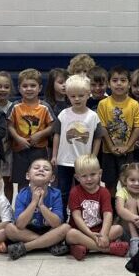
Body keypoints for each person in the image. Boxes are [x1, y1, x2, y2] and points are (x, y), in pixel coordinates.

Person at [51, 74, 103, 206]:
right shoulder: (63, 114)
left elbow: (98, 138)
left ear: (88, 94)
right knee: (64, 191)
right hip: (64, 160)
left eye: (81, 95)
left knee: (85, 190)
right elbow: (56, 135)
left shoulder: (93, 116)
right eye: (73, 96)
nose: (77, 99)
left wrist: (93, 157)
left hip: (84, 163)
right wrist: (54, 155)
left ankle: (83, 217)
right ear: (68, 96)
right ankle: (62, 218)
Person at [5, 158, 70, 259]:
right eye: (36, 168)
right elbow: (20, 224)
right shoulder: (22, 194)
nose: (41, 170)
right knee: (9, 228)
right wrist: (34, 202)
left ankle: (26, 247)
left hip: (49, 230)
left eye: (46, 169)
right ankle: (48, 244)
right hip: (28, 231)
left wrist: (42, 206)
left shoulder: (56, 194)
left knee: (66, 228)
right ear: (28, 175)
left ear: (52, 178)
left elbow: (56, 223)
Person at [65, 155, 126, 260]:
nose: (89, 179)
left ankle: (84, 247)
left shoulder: (104, 192)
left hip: (99, 230)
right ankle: (108, 249)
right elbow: (77, 217)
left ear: (100, 173)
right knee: (70, 234)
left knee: (118, 229)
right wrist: (91, 235)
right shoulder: (74, 192)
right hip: (81, 231)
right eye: (84, 176)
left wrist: (104, 234)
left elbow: (108, 214)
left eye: (93, 174)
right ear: (77, 177)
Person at [97, 65, 139, 194]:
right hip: (108, 151)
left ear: (129, 84)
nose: (119, 84)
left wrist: (127, 146)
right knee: (110, 183)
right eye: (115, 80)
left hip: (128, 151)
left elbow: (138, 127)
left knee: (128, 181)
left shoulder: (134, 104)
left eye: (123, 80)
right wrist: (111, 146)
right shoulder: (103, 104)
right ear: (108, 84)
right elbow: (102, 127)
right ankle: (111, 210)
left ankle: (126, 210)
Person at [9, 68, 54, 191]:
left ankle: (40, 207)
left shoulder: (44, 107)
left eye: (33, 85)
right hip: (20, 150)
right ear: (19, 88)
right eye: (25, 86)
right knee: (22, 181)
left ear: (39, 88)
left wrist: (40, 134)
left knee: (41, 179)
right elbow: (9, 125)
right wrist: (18, 138)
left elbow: (53, 125)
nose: (29, 89)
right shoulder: (15, 106)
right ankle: (23, 207)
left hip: (39, 150)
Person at [0, 70, 17, 202]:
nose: (2, 90)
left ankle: (7, 209)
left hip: (9, 151)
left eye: (6, 87)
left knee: (8, 182)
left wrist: (9, 144)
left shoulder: (14, 107)